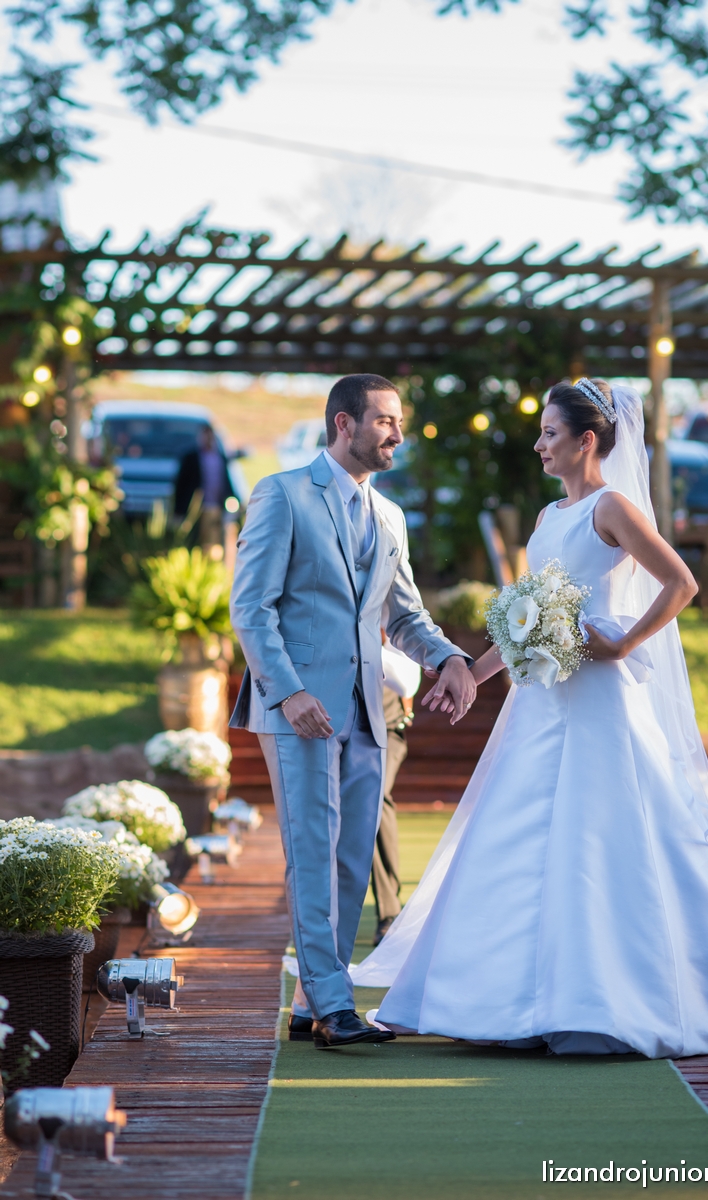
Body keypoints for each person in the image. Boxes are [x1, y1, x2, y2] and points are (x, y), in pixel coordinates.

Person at [353, 378, 708, 1057]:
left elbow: (679, 583)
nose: (538, 444)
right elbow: (528, 620)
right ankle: (498, 1001)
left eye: (549, 433)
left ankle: (606, 1000)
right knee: (515, 837)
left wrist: (622, 640)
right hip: (541, 702)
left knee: (600, 842)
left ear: (587, 440)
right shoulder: (549, 518)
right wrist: (467, 672)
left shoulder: (610, 508)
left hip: (600, 703)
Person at [229, 373, 476, 1050]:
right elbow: (250, 607)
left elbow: (405, 615)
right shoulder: (281, 494)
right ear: (344, 423)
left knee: (347, 860)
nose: (397, 433)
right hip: (299, 710)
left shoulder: (389, 516)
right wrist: (288, 689)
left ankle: (315, 999)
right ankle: (337, 1005)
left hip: (368, 709)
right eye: (386, 420)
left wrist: (449, 658)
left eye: (399, 422)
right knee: (312, 852)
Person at [371, 635, 422, 945]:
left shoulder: (390, 612)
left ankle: (389, 912)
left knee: (375, 797)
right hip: (338, 723)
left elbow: (406, 682)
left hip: (388, 728)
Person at [174, 424, 237, 551]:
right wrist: (179, 510)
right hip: (196, 509)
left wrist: (233, 501)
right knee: (194, 542)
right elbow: (181, 484)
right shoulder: (191, 457)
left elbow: (226, 482)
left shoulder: (219, 457)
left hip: (215, 507)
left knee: (214, 543)